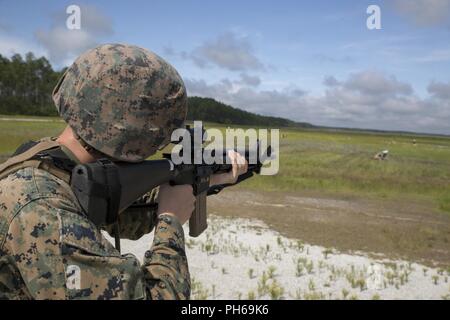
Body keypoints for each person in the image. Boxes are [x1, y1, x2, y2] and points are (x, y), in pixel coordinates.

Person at [0, 44, 247, 300]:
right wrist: (170, 221)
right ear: (135, 134)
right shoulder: (43, 211)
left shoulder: (53, 162)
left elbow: (123, 216)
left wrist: (205, 182)